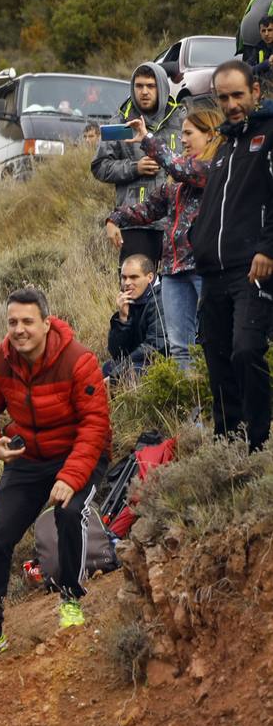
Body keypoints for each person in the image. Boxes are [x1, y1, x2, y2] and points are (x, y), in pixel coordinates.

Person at [0, 288, 112, 664]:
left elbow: (95, 425)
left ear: (47, 323)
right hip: (27, 458)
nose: (19, 329)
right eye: (12, 322)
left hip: (80, 452)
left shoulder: (79, 360)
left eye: (28, 321)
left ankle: (71, 599)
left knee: (68, 511)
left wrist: (71, 476)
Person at [191, 60, 273, 452]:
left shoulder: (269, 135)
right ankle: (228, 445)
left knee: (246, 349)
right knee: (218, 359)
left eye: (238, 95)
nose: (231, 103)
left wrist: (267, 247)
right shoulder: (223, 145)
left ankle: (259, 443)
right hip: (213, 271)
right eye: (223, 97)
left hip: (252, 268)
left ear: (256, 91)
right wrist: (197, 240)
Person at [108, 102, 221, 365]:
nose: (182, 139)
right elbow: (148, 208)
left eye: (189, 133)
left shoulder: (215, 168)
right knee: (180, 347)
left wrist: (147, 138)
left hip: (203, 267)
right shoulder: (177, 180)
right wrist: (114, 218)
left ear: (210, 134)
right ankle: (189, 400)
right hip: (172, 271)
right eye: (181, 134)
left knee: (211, 341)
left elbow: (180, 168)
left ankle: (215, 401)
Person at [90, 61, 181, 265]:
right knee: (134, 289)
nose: (144, 92)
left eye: (151, 86)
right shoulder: (120, 122)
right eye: (139, 86)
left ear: (162, 87)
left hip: (175, 222)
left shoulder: (180, 119)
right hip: (134, 223)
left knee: (170, 292)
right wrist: (135, 167)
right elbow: (99, 166)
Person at [104, 254, 168, 381]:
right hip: (140, 359)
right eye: (124, 277)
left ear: (149, 277)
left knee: (125, 376)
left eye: (134, 277)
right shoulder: (132, 298)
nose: (127, 283)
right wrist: (123, 317)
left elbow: (156, 347)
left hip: (162, 361)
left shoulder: (161, 299)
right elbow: (117, 353)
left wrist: (119, 372)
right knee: (107, 368)